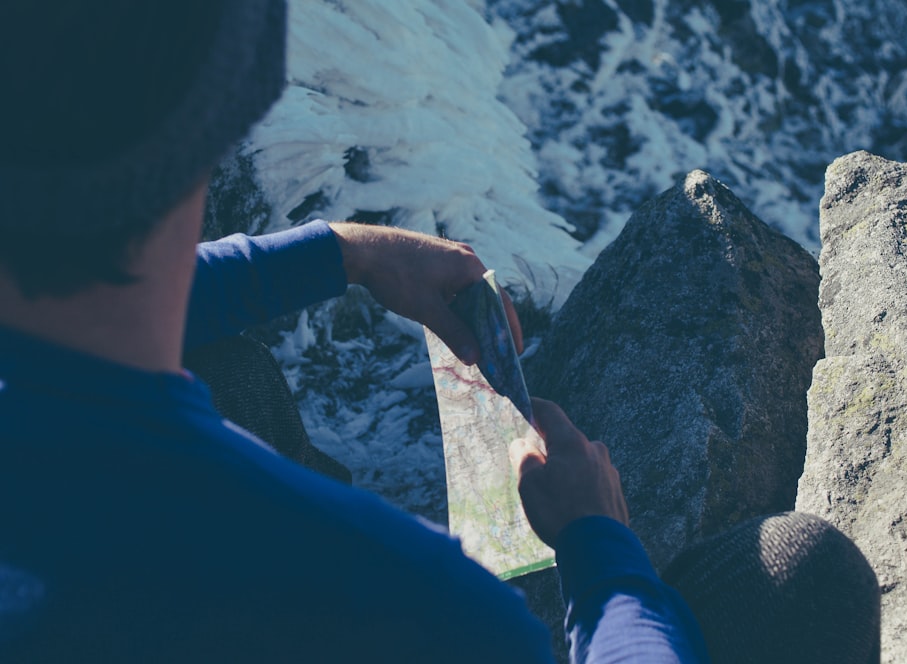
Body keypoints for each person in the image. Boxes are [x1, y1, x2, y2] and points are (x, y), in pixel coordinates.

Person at [0, 1, 713, 661]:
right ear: (232, 107)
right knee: (796, 562)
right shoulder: (420, 608)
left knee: (233, 374)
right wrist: (604, 555)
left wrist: (347, 253)